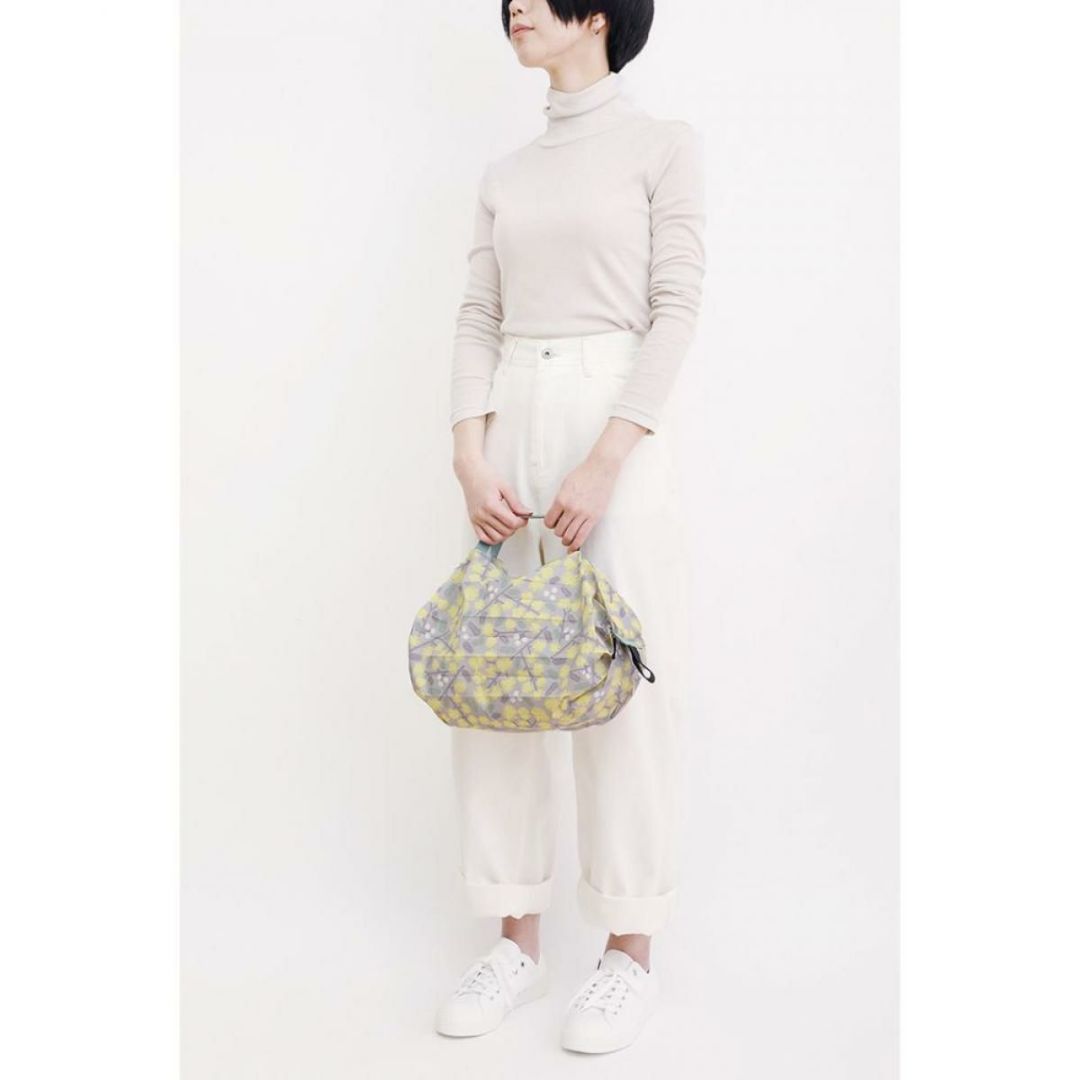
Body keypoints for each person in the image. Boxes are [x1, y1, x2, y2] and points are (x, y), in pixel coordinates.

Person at [436, 0, 706, 1054]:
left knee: (623, 685)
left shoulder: (663, 148)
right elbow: (478, 314)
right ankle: (514, 940)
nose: (514, 8)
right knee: (496, 677)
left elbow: (675, 308)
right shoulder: (506, 172)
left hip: (614, 419)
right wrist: (469, 453)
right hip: (509, 414)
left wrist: (605, 457)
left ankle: (628, 952)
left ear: (598, 13)